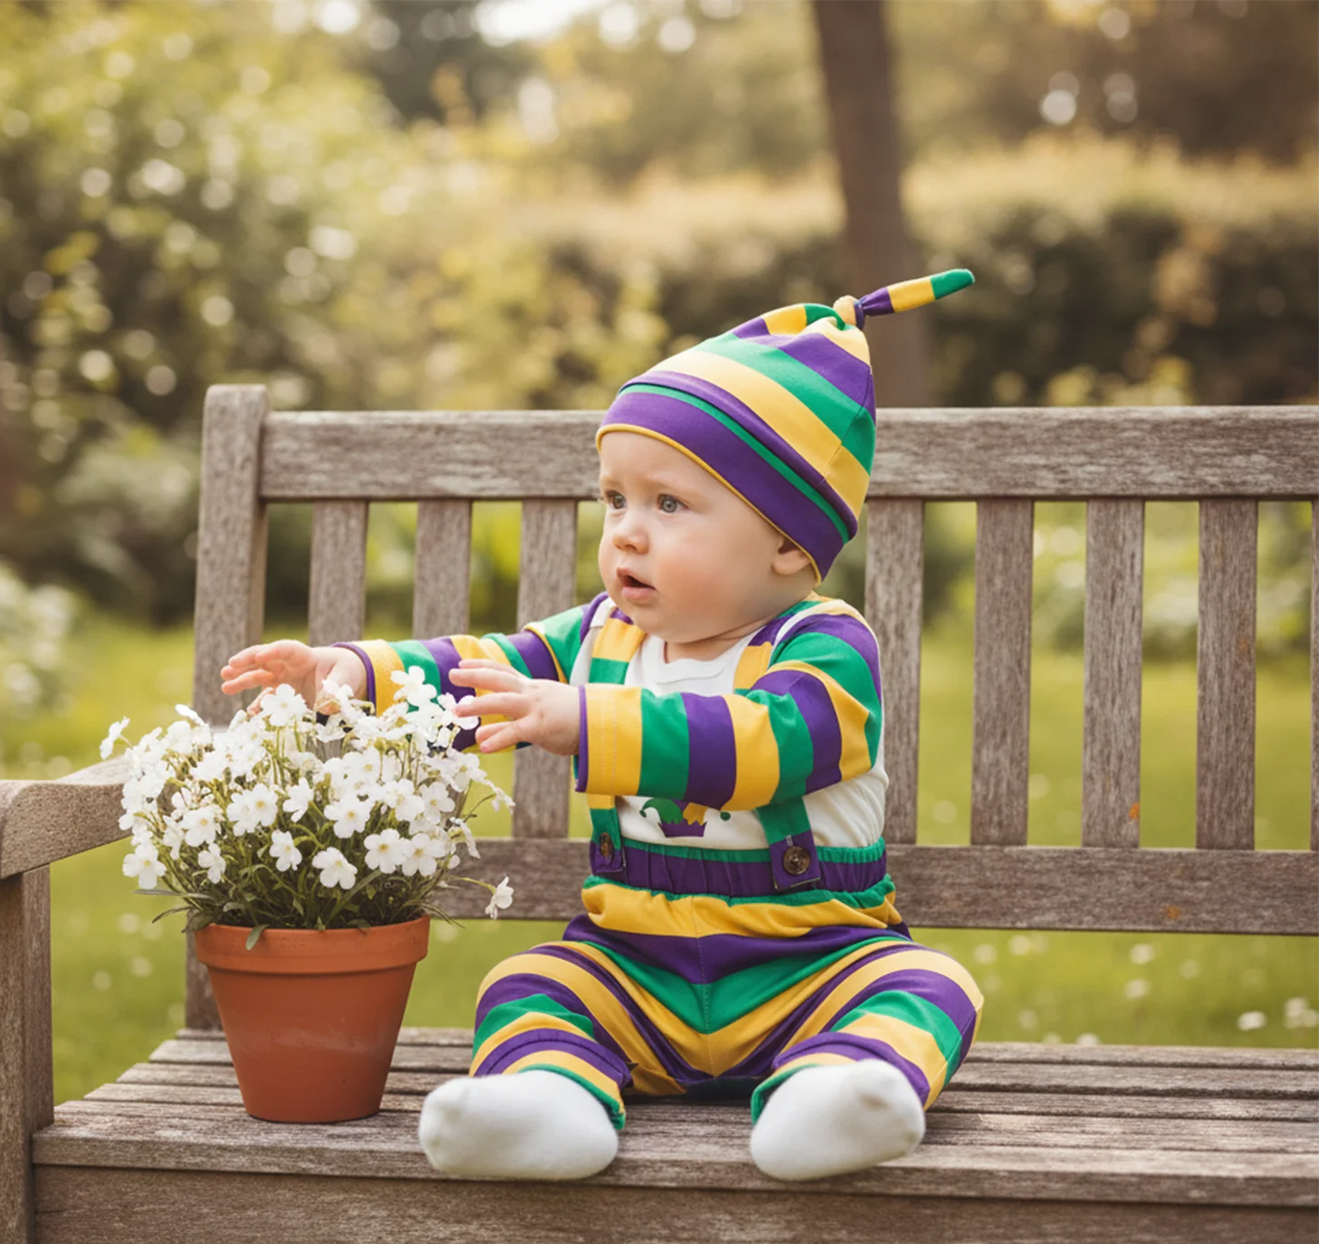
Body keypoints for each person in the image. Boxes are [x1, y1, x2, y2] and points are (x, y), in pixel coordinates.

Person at [220, 269, 983, 1183]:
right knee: (529, 985)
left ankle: (832, 1092)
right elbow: (477, 670)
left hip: (812, 963)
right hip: (635, 969)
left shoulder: (826, 644)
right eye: (615, 499)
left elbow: (767, 747)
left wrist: (586, 719)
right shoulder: (599, 636)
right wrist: (349, 674)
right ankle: (552, 1104)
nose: (624, 532)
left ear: (788, 541)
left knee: (926, 987)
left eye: (668, 504)